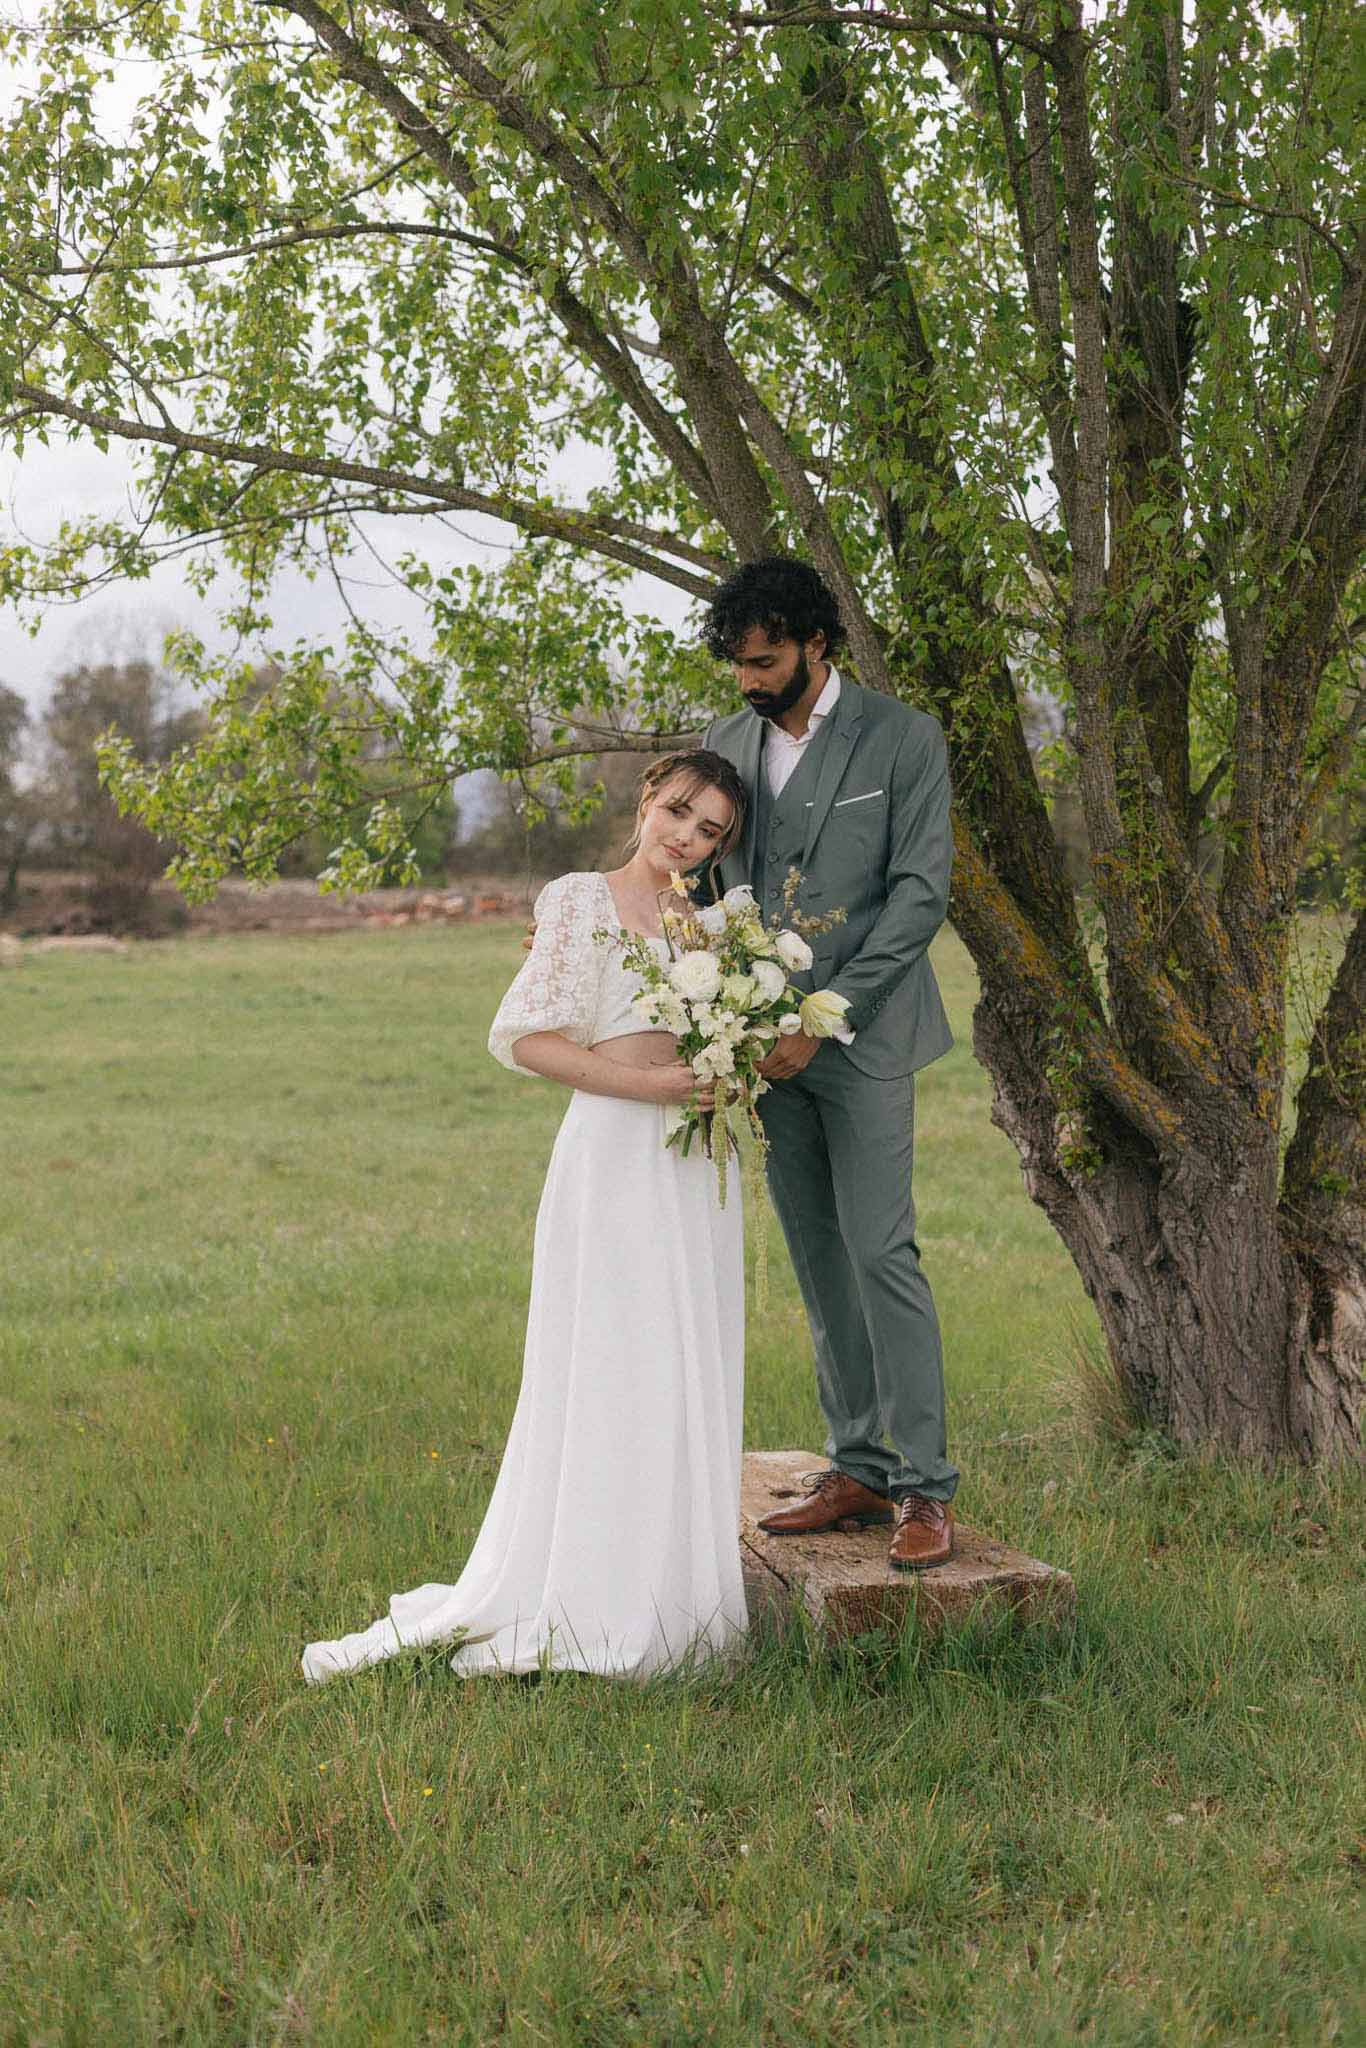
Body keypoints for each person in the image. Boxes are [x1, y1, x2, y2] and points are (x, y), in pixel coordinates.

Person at [301, 750, 751, 1684]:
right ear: (646, 799)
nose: (687, 838)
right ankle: (581, 1591)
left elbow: (720, 1034)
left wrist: (724, 1070)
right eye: (678, 812)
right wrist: (650, 1083)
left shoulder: (707, 927)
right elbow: (528, 1040)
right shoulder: (579, 898)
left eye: (711, 831)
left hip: (695, 1168)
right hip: (614, 1155)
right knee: (607, 1360)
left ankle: (670, 1596)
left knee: (679, 1365)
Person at [698, 556, 960, 1569]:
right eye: (736, 664)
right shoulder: (727, 741)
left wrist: (826, 1010)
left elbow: (918, 893)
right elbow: (703, 879)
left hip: (865, 1033)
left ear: (817, 643)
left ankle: (925, 1487)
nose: (747, 682)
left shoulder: (903, 738)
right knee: (814, 1254)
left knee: (879, 1250)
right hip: (761, 1050)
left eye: (763, 661)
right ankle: (856, 1464)